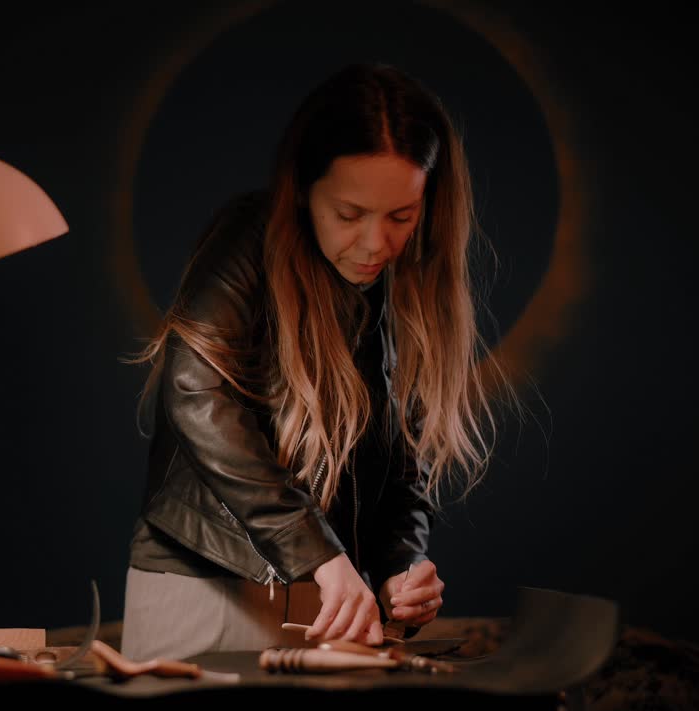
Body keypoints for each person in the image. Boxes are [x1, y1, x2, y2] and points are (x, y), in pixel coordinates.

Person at [120, 63, 512, 662]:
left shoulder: (409, 289)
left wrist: (401, 567)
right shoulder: (249, 234)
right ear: (302, 190)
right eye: (349, 214)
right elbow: (196, 390)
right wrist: (319, 555)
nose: (377, 243)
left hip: (330, 601)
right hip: (205, 586)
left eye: (401, 216)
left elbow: (404, 462)